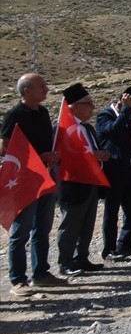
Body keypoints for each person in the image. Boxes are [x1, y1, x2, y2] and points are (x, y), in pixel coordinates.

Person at [2, 73, 63, 294]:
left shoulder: (43, 112)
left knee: (43, 228)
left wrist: (53, 155)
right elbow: (5, 148)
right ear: (27, 90)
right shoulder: (14, 115)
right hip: (25, 180)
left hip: (45, 177)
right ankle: (18, 280)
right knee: (21, 231)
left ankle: (41, 273)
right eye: (41, 86)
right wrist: (39, 157)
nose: (46, 89)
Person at [55, 83, 108, 277]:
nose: (92, 107)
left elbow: (91, 150)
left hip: (90, 181)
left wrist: (101, 154)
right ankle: (65, 261)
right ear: (75, 107)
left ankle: (81, 258)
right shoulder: (62, 129)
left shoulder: (88, 128)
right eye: (88, 103)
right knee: (70, 224)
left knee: (87, 223)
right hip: (72, 183)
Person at [96, 86, 131, 258]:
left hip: (129, 170)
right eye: (130, 110)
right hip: (113, 171)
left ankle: (126, 245)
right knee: (112, 212)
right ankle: (109, 249)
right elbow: (115, 129)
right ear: (120, 103)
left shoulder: (129, 116)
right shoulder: (105, 115)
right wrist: (125, 110)